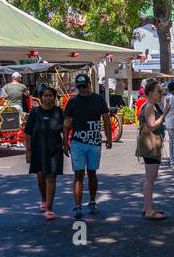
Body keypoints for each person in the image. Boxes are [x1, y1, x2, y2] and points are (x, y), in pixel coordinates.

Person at [63, 72, 111, 219]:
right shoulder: (73, 102)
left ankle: (92, 201)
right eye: (79, 87)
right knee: (78, 174)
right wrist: (65, 142)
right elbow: (66, 124)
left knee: (92, 173)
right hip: (77, 143)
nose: (81, 89)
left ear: (89, 84)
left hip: (94, 143)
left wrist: (109, 137)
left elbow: (106, 119)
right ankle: (77, 206)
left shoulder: (98, 99)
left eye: (84, 86)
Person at [25, 86, 66, 219]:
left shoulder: (59, 112)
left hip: (55, 149)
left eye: (50, 96)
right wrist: (28, 151)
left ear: (54, 97)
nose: (48, 98)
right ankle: (44, 199)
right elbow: (28, 132)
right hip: (38, 149)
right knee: (41, 177)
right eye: (46, 96)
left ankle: (49, 208)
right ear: (41, 97)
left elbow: (65, 128)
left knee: (51, 178)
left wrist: (66, 143)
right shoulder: (35, 112)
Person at [136, 80, 167, 219]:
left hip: (148, 144)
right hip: (150, 144)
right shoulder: (149, 106)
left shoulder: (149, 105)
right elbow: (152, 125)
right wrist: (164, 114)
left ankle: (147, 206)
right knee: (150, 177)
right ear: (150, 93)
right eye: (158, 91)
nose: (161, 94)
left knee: (151, 177)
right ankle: (148, 210)